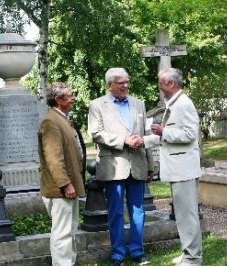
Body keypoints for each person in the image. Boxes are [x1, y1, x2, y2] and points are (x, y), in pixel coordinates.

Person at [88, 67, 153, 266]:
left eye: (127, 82)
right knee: (115, 212)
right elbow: (96, 133)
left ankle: (137, 251)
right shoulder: (97, 105)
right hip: (113, 165)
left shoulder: (138, 104)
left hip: (138, 164)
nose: (126, 86)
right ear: (110, 85)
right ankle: (117, 254)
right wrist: (124, 140)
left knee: (138, 210)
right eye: (121, 83)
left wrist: (151, 165)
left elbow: (145, 134)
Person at [143, 68, 203, 266]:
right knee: (182, 215)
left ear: (171, 84)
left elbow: (189, 135)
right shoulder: (174, 103)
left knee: (188, 216)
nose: (159, 86)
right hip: (179, 169)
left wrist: (163, 131)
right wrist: (142, 141)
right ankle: (188, 253)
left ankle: (193, 259)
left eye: (161, 83)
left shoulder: (184, 104)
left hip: (184, 169)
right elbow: (166, 136)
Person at [38, 82, 85, 266]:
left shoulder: (62, 119)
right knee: (62, 232)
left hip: (68, 186)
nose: (73, 98)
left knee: (70, 229)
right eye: (70, 95)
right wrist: (65, 184)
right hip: (60, 189)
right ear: (58, 100)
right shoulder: (51, 121)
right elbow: (53, 159)